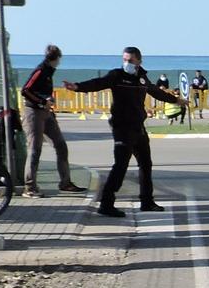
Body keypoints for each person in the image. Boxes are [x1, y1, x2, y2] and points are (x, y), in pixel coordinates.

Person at [66, 47, 183, 217]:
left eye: (130, 60)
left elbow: (155, 91)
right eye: (125, 60)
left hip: (138, 127)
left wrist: (176, 100)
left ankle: (147, 201)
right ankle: (106, 204)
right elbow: (98, 83)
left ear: (139, 61)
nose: (126, 63)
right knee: (120, 165)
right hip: (122, 128)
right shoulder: (117, 75)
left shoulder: (142, 77)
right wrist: (77, 87)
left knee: (146, 164)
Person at [19, 44, 85, 196]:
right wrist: (42, 102)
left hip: (46, 113)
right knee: (35, 150)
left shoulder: (49, 72)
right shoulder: (41, 70)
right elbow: (25, 90)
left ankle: (66, 182)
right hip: (34, 113)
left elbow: (40, 90)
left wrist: (47, 100)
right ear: (56, 59)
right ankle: (30, 187)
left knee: (60, 145)